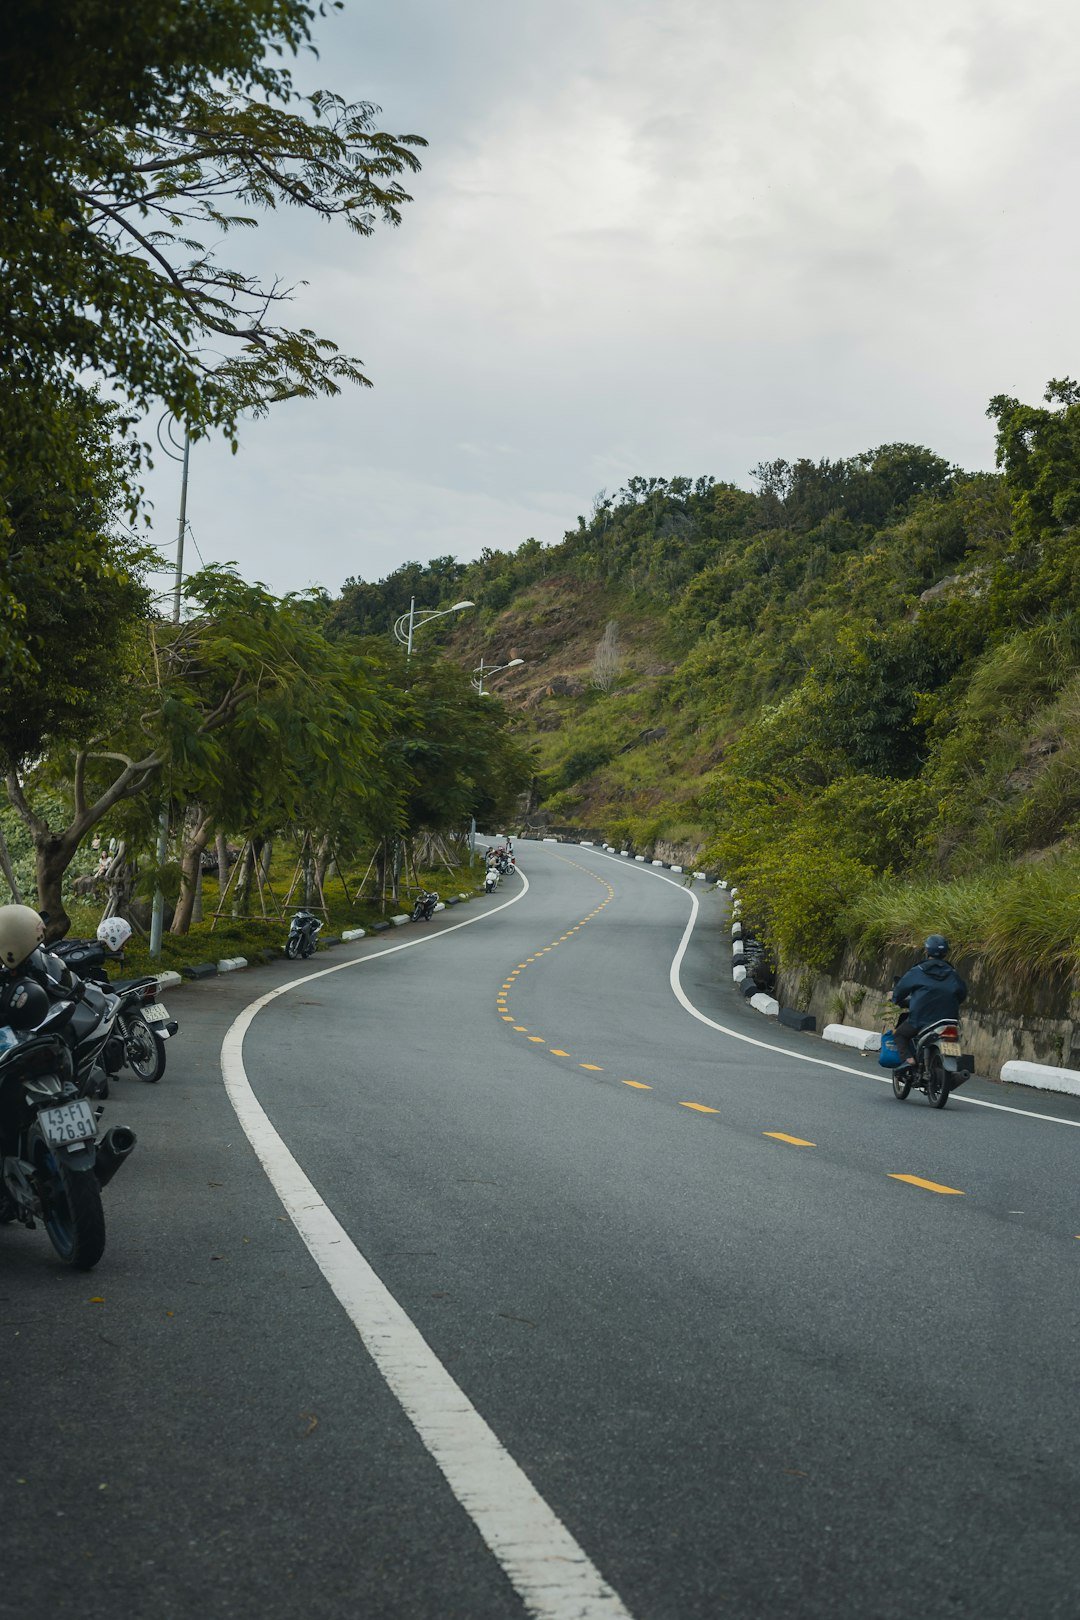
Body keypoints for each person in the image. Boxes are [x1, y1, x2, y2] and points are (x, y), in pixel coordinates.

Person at [891, 935, 967, 1075]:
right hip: (948, 1020)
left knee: (900, 1035)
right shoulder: (953, 973)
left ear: (926, 951)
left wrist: (896, 999)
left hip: (921, 1019)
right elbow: (962, 993)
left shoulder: (918, 970)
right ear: (946, 953)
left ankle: (909, 1060)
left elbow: (901, 988)